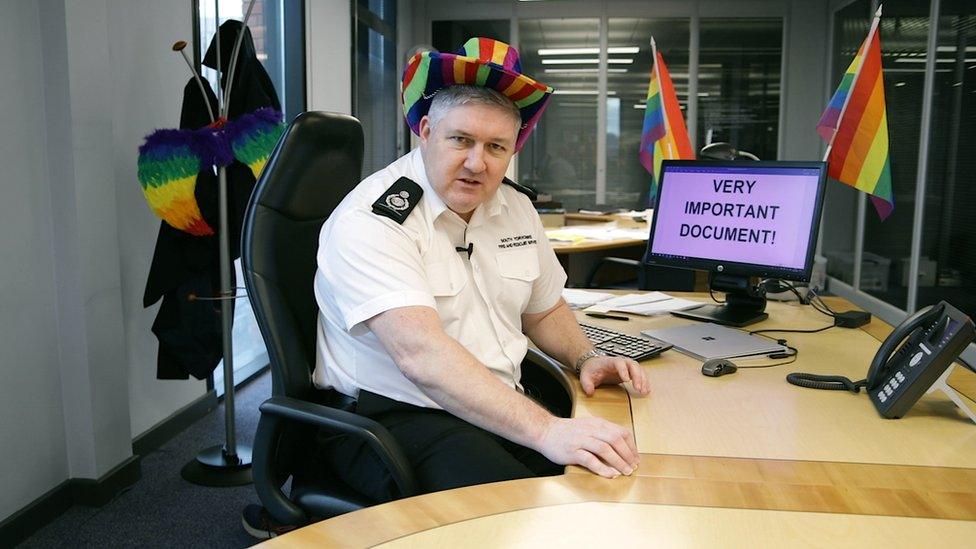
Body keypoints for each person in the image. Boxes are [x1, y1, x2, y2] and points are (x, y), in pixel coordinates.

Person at [313, 38, 650, 502]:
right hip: (394, 415)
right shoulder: (372, 221)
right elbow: (423, 359)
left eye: (496, 147)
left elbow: (543, 309)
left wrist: (586, 357)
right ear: (426, 130)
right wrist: (547, 430)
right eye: (461, 140)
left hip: (493, 402)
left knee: (606, 482)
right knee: (522, 514)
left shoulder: (513, 206)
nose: (477, 163)